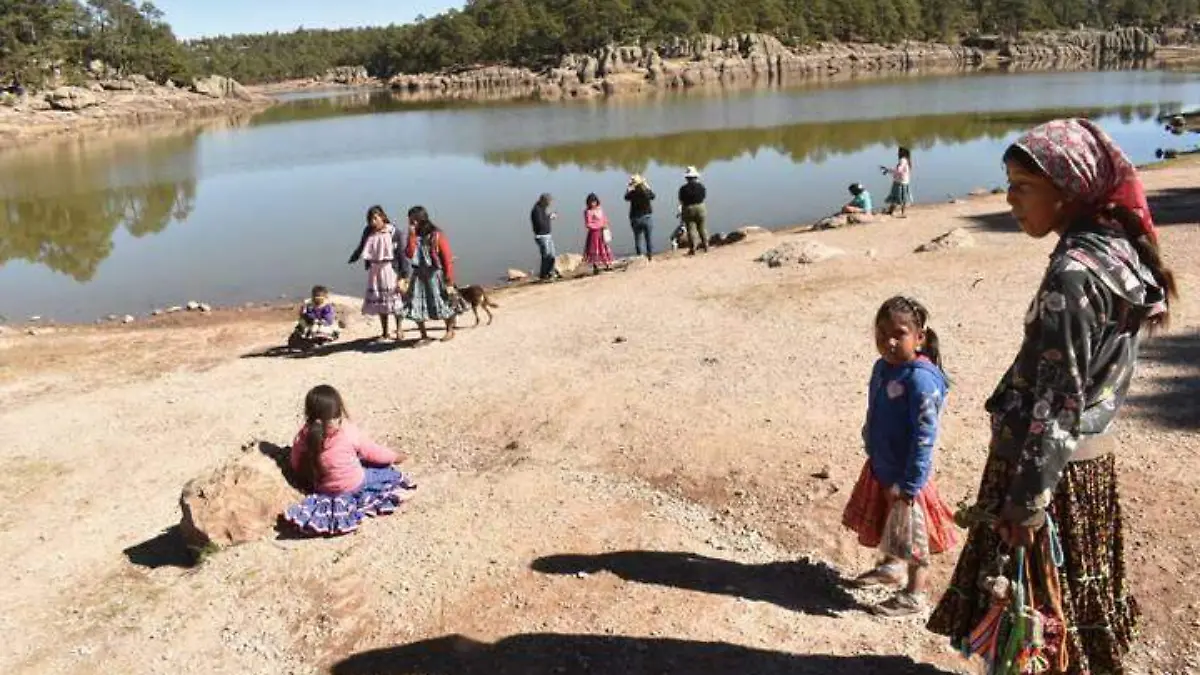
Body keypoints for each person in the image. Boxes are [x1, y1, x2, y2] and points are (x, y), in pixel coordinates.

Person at [927, 119, 1176, 674]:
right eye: (1008, 183)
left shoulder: (1073, 274)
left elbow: (1058, 400)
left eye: (1022, 185)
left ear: (1067, 191)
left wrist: (1025, 504)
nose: (1010, 199)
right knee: (1067, 620)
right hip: (1086, 466)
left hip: (1045, 475)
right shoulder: (1118, 252)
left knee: (1028, 621)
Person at [841, 296, 958, 617]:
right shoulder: (883, 367)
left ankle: (914, 594)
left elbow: (925, 437)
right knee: (891, 525)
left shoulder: (920, 379)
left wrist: (911, 483)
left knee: (913, 536)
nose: (888, 342)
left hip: (908, 476)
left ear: (919, 337)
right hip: (884, 465)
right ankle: (892, 568)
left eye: (899, 334)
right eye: (881, 334)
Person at [283, 385, 416, 536]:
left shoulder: (303, 436)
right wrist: (395, 457)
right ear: (339, 411)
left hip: (323, 489)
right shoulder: (347, 431)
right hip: (353, 484)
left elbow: (295, 463)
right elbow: (374, 453)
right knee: (384, 474)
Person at [404, 206, 459, 343]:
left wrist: (449, 277)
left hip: (435, 275)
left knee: (443, 302)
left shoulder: (437, 235)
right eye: (410, 221)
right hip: (418, 276)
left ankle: (450, 330)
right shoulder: (413, 236)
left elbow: (446, 258)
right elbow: (409, 254)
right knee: (415, 304)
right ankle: (423, 335)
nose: (412, 224)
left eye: (414, 220)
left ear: (421, 220)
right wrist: (411, 236)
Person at [351, 206, 401, 339]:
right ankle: (385, 331)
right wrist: (354, 257)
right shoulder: (369, 231)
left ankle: (399, 329)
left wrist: (404, 274)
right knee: (380, 302)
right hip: (375, 270)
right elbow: (362, 246)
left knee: (394, 300)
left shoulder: (393, 231)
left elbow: (400, 253)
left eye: (375, 218)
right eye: (370, 219)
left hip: (389, 268)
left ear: (382, 217)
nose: (373, 222)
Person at [288, 285, 340, 351]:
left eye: (319, 297)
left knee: (320, 330)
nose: (317, 299)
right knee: (302, 325)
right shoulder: (310, 305)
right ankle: (299, 340)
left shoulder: (327, 306)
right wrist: (306, 315)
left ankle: (319, 342)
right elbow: (308, 313)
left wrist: (321, 321)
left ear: (325, 297)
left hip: (324, 323)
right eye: (315, 296)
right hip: (311, 322)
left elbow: (329, 318)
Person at [624, 174, 656, 260]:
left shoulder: (632, 194)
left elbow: (626, 197)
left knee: (637, 239)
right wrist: (647, 185)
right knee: (648, 238)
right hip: (647, 217)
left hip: (635, 218)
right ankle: (650, 256)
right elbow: (653, 196)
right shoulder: (646, 192)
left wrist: (629, 187)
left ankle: (639, 256)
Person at [678, 166, 709, 254]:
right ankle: (706, 246)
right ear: (696, 177)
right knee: (702, 228)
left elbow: (681, 200)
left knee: (691, 229)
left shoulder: (683, 188)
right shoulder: (701, 186)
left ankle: (693, 249)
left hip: (688, 208)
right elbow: (704, 196)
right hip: (701, 207)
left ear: (686, 178)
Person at [531, 193, 561, 281]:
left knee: (552, 255)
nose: (550, 204)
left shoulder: (542, 209)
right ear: (544, 201)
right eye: (549, 202)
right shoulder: (536, 210)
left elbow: (544, 220)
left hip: (547, 235)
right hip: (541, 236)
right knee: (546, 255)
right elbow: (540, 224)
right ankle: (544, 275)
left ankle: (550, 273)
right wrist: (549, 217)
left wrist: (549, 216)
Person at [583, 193, 614, 274]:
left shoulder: (600, 209)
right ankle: (596, 266)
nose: (593, 204)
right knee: (595, 250)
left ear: (597, 202)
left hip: (602, 232)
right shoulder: (588, 212)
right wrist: (598, 226)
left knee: (604, 248)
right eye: (591, 202)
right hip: (594, 234)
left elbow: (604, 218)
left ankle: (608, 264)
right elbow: (588, 224)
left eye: (594, 202)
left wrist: (606, 225)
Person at [882, 147, 913, 217]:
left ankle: (900, 213)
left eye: (899, 152)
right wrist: (888, 170)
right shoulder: (907, 160)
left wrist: (888, 170)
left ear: (902, 153)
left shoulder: (902, 160)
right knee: (901, 198)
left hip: (900, 182)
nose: (898, 153)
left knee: (896, 197)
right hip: (904, 181)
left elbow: (899, 170)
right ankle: (895, 211)